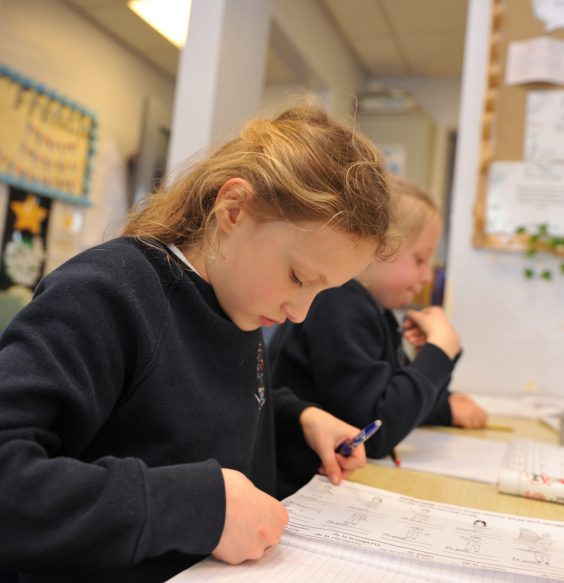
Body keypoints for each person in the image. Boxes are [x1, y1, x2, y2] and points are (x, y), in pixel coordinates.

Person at [0, 104, 401, 583]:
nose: (300, 312)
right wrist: (199, 506)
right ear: (232, 209)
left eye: (322, 291)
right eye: (297, 277)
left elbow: (189, 405)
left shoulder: (240, 302)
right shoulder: (107, 292)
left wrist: (299, 419)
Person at [268, 177, 486, 499]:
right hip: (295, 492)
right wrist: (438, 353)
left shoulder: (375, 310)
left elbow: (385, 396)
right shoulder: (339, 303)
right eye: (420, 259)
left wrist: (439, 398)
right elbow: (374, 431)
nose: (427, 276)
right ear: (377, 250)